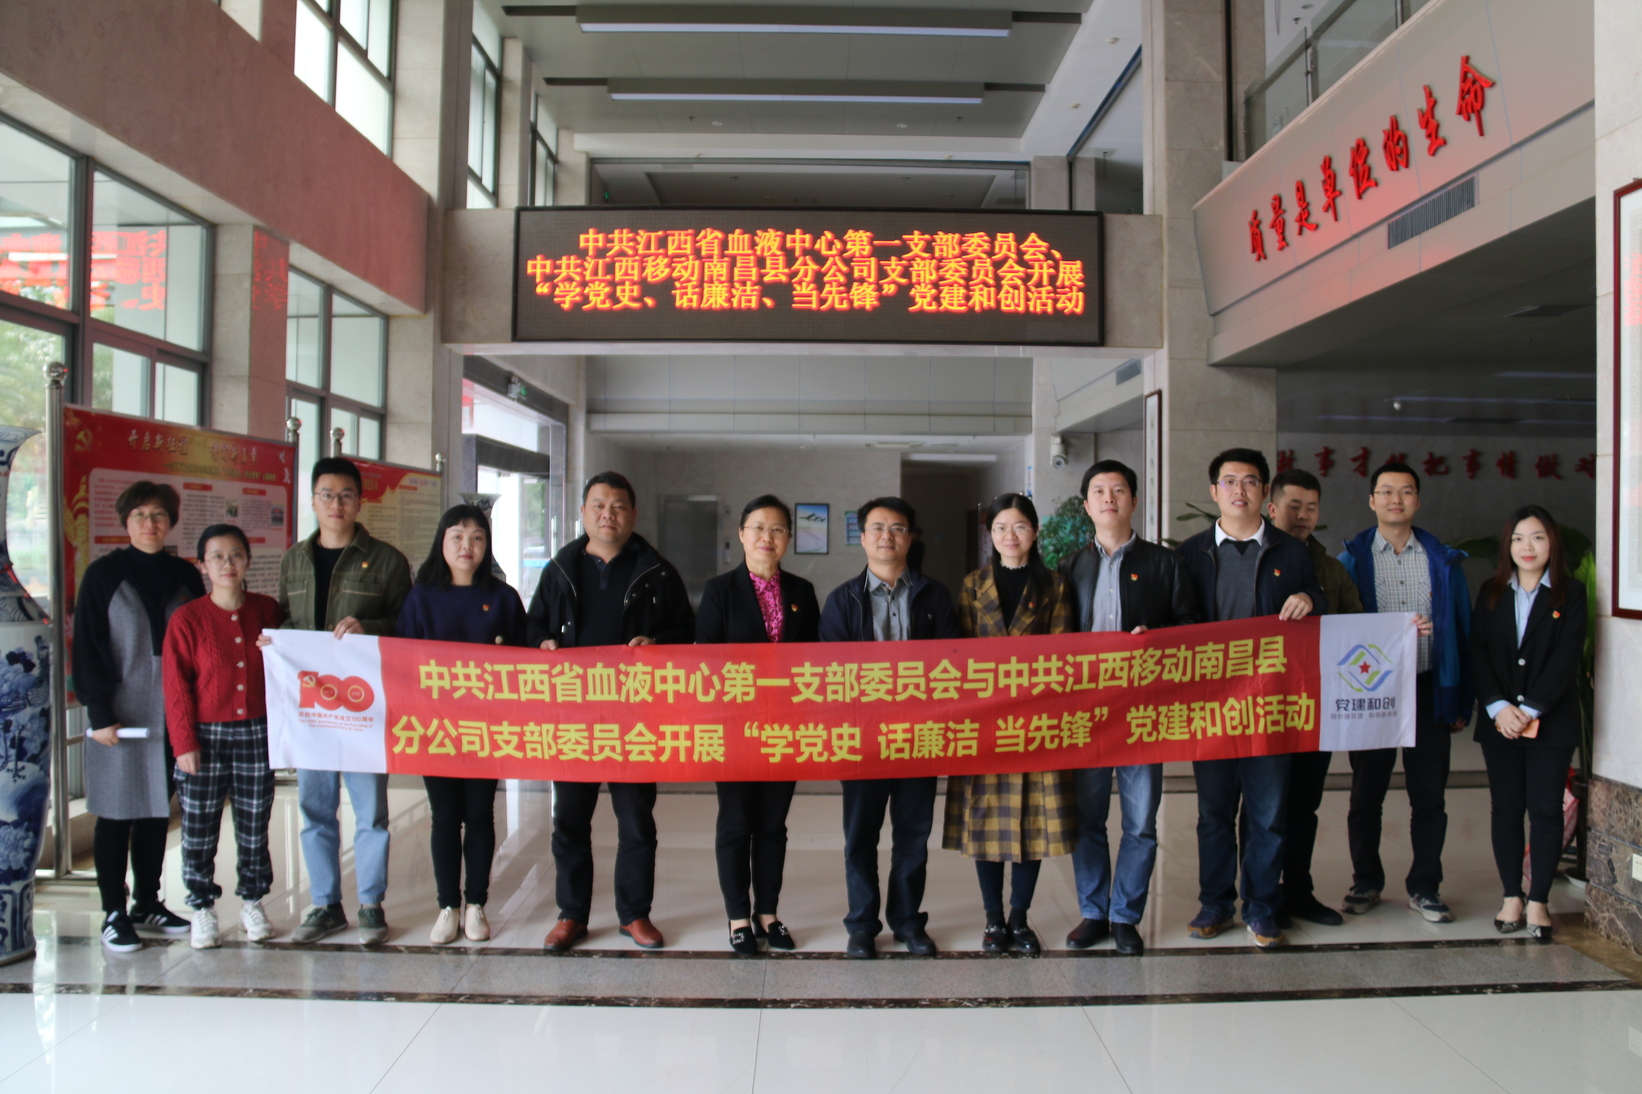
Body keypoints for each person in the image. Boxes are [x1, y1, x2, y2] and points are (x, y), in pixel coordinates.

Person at [530, 472, 695, 952]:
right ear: (583, 512)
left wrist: (657, 643)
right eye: (599, 505)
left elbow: (687, 632)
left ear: (633, 515)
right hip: (573, 716)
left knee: (637, 822)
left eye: (618, 506)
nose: (608, 514)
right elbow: (533, 624)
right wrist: (541, 642)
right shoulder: (559, 569)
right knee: (569, 821)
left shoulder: (658, 572)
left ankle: (634, 914)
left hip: (636, 718)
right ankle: (571, 914)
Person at [1176, 448, 1326, 949]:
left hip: (1269, 703)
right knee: (1214, 813)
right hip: (1211, 707)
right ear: (1213, 491)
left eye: (1250, 481)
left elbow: (1320, 599)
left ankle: (1261, 907)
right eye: (1229, 481)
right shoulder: (1191, 553)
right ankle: (1215, 902)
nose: (1239, 490)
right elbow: (1176, 619)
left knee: (1268, 814)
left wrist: (1309, 599)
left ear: (1264, 492)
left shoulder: (1291, 551)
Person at [1059, 461, 1199, 956]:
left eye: (1118, 490)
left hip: (1143, 712)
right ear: (1086, 505)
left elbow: (1191, 626)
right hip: (1088, 711)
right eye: (1099, 491)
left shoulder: (1165, 563)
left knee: (1140, 822)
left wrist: (1156, 638)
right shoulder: (1070, 566)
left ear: (1134, 501)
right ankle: (1094, 911)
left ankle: (1125, 916)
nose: (1109, 498)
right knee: (1088, 819)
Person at [278, 457, 412, 945]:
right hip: (311, 709)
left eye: (346, 495)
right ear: (313, 500)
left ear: (360, 501)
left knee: (370, 812)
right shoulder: (294, 560)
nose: (336, 504)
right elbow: (286, 620)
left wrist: (368, 627)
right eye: (327, 495)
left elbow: (406, 626)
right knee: (315, 810)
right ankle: (325, 904)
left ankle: (371, 903)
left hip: (363, 710)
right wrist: (277, 642)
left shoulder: (388, 561)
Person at [819, 496, 960, 959]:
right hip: (863, 740)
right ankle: (862, 924)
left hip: (919, 736)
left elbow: (953, 664)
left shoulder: (934, 596)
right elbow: (831, 677)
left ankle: (907, 921)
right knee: (860, 836)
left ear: (909, 538)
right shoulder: (842, 600)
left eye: (897, 528)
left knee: (913, 836)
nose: (887, 536)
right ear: (862, 538)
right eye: (877, 528)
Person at [1338, 461, 1471, 923]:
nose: (1396, 499)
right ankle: (1366, 881)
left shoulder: (1443, 562)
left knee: (1429, 795)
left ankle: (1425, 887)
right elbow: (1338, 630)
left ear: (1418, 500)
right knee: (1365, 795)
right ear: (1371, 500)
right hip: (1371, 692)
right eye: (1387, 491)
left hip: (1428, 687)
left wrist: (1461, 698)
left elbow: (1464, 631)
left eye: (1406, 491)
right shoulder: (1351, 561)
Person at [75, 482, 205, 952]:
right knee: (115, 813)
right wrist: (99, 712)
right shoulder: (103, 575)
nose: (150, 523)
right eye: (140, 515)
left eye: (159, 515)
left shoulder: (185, 575)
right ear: (125, 522)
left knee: (155, 811)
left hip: (174, 711)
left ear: (171, 522)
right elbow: (87, 645)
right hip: (121, 714)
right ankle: (113, 911)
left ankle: (147, 902)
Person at [944, 493, 1075, 955]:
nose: (1010, 535)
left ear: (1034, 532)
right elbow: (960, 654)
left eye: (1019, 526)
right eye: (1000, 527)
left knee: (1032, 822)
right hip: (984, 723)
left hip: (1035, 723)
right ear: (991, 535)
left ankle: (1019, 919)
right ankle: (993, 920)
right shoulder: (972, 585)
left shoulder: (1055, 585)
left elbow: (1061, 653)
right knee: (985, 823)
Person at [696, 495, 821, 955]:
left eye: (777, 529)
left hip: (785, 727)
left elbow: (814, 661)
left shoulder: (802, 592)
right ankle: (738, 916)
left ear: (788, 538)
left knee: (772, 824)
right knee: (735, 822)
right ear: (742, 534)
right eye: (758, 528)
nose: (767, 537)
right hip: (733, 728)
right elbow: (705, 660)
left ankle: (768, 912)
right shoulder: (718, 591)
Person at [398, 504, 527, 945]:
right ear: (442, 542)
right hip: (434, 729)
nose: (466, 546)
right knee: (444, 817)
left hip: (486, 728)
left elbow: (525, 662)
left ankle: (476, 904)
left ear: (487, 545)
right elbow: (401, 664)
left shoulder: (504, 598)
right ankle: (447, 906)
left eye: (476, 538)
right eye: (457, 536)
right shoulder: (420, 598)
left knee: (480, 814)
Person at [163, 524, 285, 949]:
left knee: (254, 823)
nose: (227, 564)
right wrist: (184, 744)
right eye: (217, 556)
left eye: (235, 555)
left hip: (257, 730)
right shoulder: (187, 619)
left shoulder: (267, 610)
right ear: (202, 566)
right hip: (204, 736)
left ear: (248, 560)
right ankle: (201, 907)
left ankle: (253, 901)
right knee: (199, 826)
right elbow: (176, 687)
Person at [1472, 506, 1584, 942]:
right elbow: (1478, 652)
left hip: (1550, 722)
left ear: (1551, 543)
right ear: (1508, 545)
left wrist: (1532, 709)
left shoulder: (1571, 594)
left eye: (1537, 537)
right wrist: (1498, 706)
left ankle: (1538, 899)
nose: (1527, 547)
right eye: (1519, 538)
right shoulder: (1491, 591)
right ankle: (1511, 896)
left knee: (1545, 810)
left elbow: (1567, 656)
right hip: (1499, 723)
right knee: (1505, 809)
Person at [1265, 469, 1362, 929]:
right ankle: (1262, 896)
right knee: (1264, 807)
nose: (1303, 516)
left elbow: (1357, 626)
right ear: (1272, 509)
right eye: (1294, 506)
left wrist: (1406, 630)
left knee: (1304, 805)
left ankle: (1298, 891)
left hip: (1314, 707)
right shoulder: (1255, 556)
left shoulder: (1330, 568)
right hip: (1260, 707)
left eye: (1311, 508)